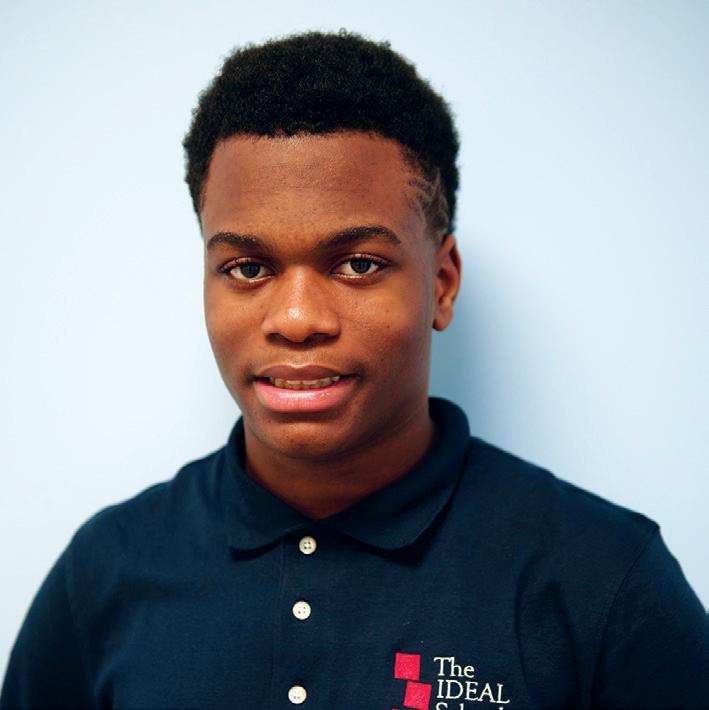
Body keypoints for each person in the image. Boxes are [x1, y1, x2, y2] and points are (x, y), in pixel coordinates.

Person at [1, 30, 707, 710]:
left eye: (358, 264)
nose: (297, 318)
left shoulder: (604, 576)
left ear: (441, 283)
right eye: (246, 268)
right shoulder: (105, 570)